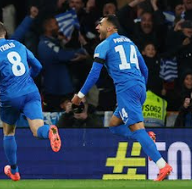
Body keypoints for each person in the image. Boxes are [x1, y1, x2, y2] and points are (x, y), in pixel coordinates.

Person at [71, 15, 173, 181]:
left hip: (126, 88)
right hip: (139, 86)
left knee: (137, 129)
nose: (97, 27)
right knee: (113, 125)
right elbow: (145, 69)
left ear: (110, 28)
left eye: (101, 24)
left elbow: (94, 74)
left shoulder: (103, 46)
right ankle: (148, 139)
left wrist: (79, 96)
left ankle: (163, 166)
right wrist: (139, 88)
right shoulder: (129, 42)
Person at [0, 20, 61, 181]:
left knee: (9, 132)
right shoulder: (19, 45)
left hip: (10, 96)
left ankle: (14, 171)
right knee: (38, 130)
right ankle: (50, 132)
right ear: (4, 33)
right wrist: (25, 80)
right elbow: (38, 67)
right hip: (31, 92)